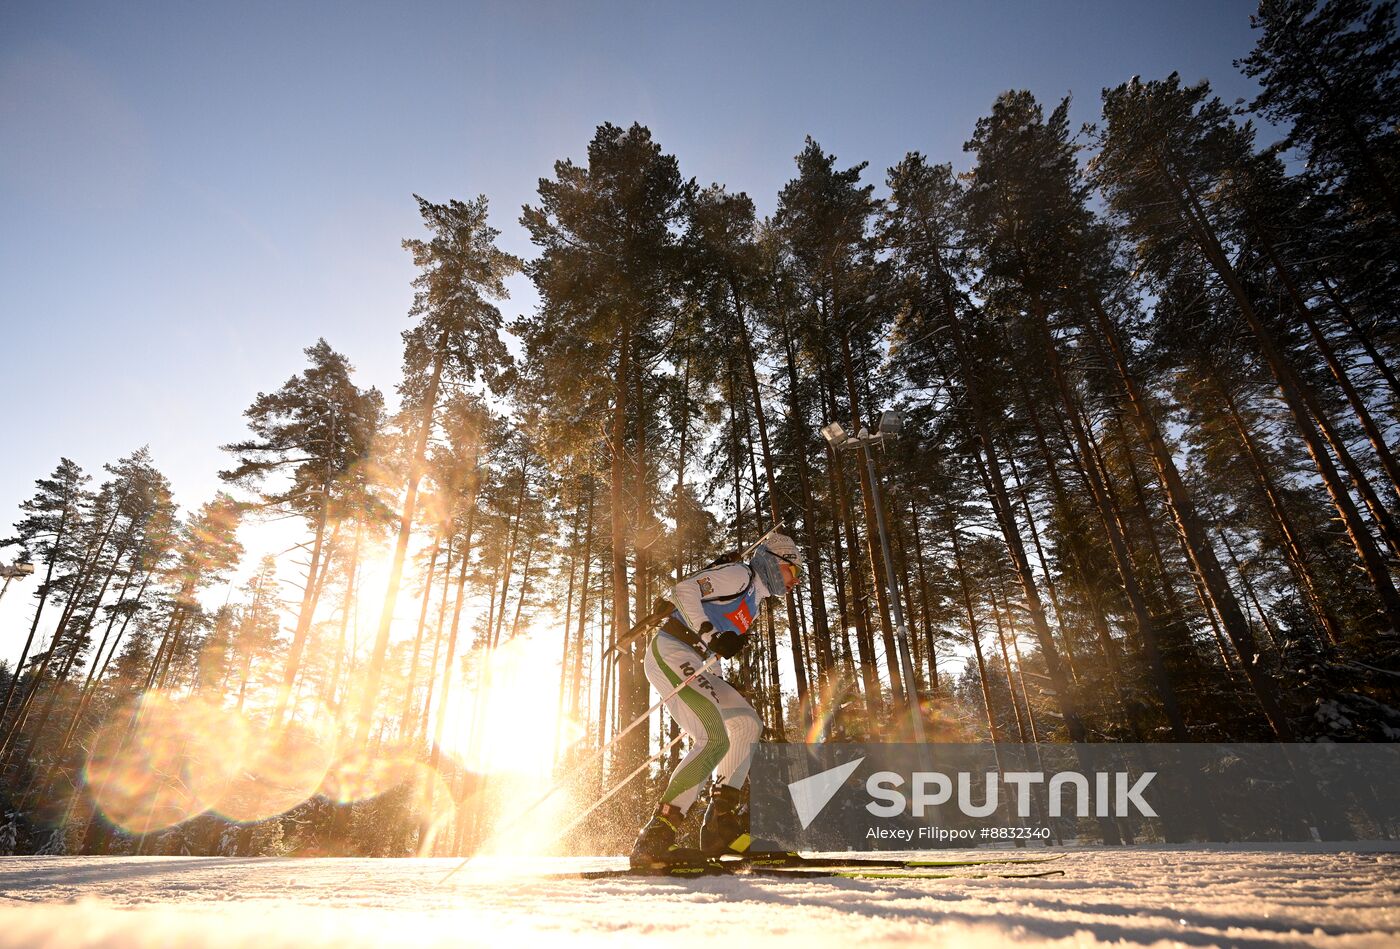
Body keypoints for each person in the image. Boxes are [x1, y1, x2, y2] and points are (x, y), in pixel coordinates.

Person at [630, 532, 802, 868]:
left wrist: (719, 660)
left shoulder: (754, 597)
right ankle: (655, 838)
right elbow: (685, 590)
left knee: (746, 724)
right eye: (792, 571)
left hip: (695, 660)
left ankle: (720, 828)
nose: (794, 582)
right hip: (672, 649)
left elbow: (715, 639)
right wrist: (710, 633)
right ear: (774, 560)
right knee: (713, 738)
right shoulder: (741, 575)